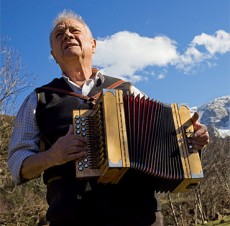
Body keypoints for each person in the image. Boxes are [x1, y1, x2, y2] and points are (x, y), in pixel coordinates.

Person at [8, 10, 209, 226]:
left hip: (141, 216)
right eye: (59, 34)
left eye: (74, 30)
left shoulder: (127, 89)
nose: (67, 35)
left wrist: (192, 140)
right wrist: (53, 156)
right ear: (53, 55)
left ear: (93, 44)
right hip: (72, 217)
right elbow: (16, 164)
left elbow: (164, 138)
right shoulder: (38, 99)